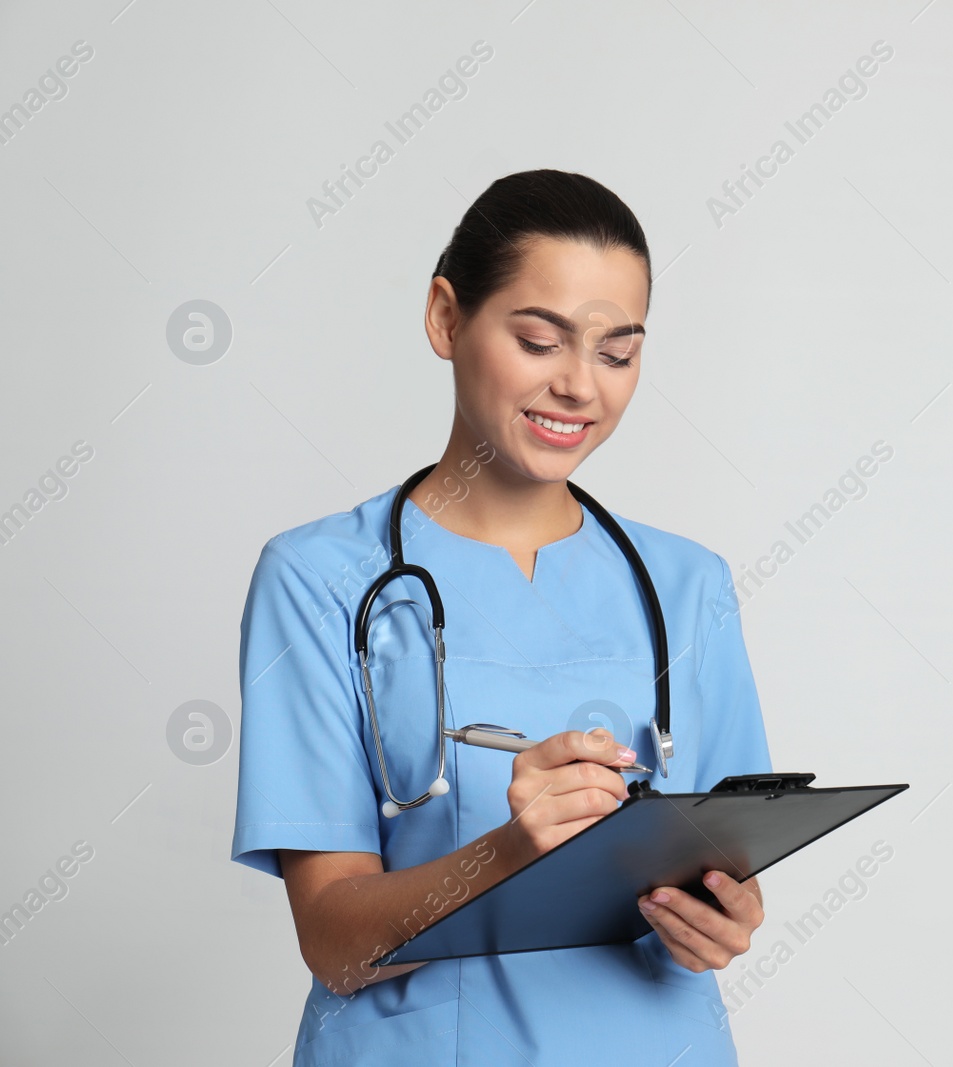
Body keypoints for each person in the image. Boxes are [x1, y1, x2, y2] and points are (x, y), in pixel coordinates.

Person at [230, 170, 772, 1065]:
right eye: (538, 339)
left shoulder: (689, 586)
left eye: (617, 352)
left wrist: (721, 920)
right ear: (447, 318)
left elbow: (728, 864)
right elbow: (333, 939)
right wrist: (513, 850)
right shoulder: (321, 580)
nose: (578, 387)